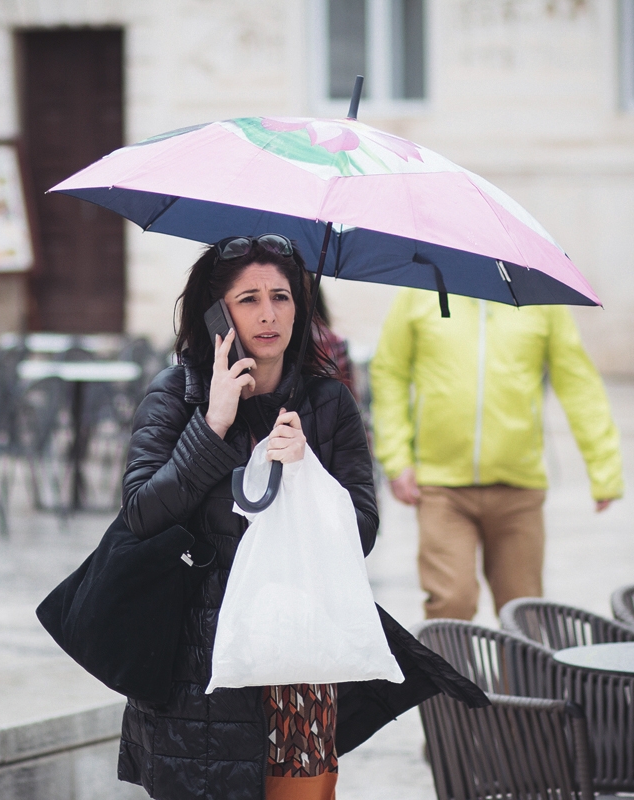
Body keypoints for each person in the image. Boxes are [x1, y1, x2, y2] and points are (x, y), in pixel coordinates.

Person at [116, 235, 484, 800]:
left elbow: (362, 532)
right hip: (194, 660)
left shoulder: (328, 403)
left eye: (281, 297)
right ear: (217, 315)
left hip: (298, 656)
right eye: (249, 300)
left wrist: (307, 473)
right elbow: (141, 514)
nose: (268, 314)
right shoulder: (176, 395)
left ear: (300, 309)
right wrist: (213, 425)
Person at [369, 289, 624, 621]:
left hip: (519, 487)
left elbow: (578, 382)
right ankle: (447, 660)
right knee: (451, 603)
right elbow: (390, 371)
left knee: (524, 613)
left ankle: (516, 660)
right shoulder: (420, 291)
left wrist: (604, 467)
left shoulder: (541, 297)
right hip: (441, 487)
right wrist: (396, 458)